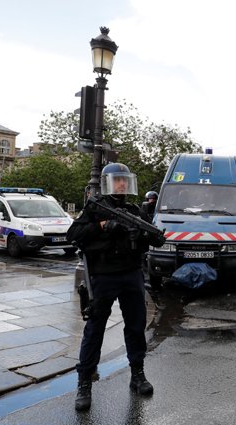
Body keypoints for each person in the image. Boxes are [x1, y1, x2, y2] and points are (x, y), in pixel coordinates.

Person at [66, 163, 166, 412]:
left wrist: (151, 236)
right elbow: (73, 233)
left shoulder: (134, 210)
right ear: (107, 182)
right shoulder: (96, 208)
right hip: (103, 276)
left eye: (124, 180)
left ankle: (137, 374)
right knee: (95, 329)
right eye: (117, 180)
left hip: (131, 274)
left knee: (135, 326)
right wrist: (101, 226)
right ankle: (84, 382)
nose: (122, 184)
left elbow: (150, 237)